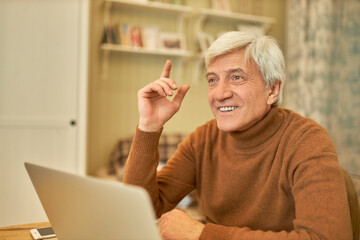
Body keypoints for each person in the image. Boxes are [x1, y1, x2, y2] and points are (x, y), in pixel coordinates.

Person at [123, 31, 352, 239]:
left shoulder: (307, 141)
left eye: (237, 77)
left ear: (272, 90)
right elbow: (142, 208)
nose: (220, 94)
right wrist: (149, 126)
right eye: (213, 80)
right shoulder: (203, 139)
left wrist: (203, 234)